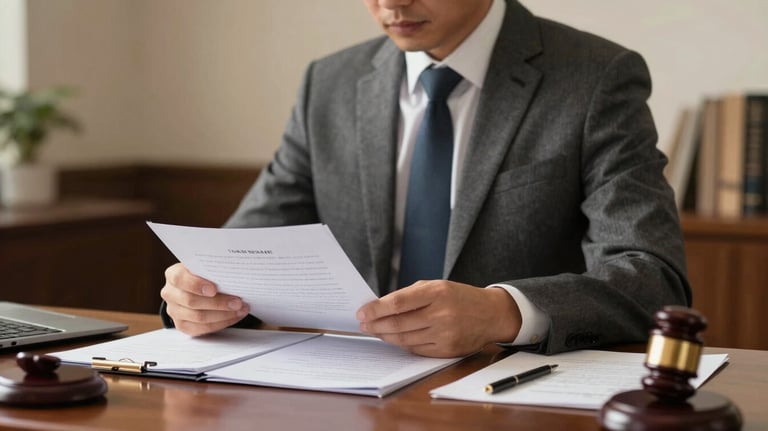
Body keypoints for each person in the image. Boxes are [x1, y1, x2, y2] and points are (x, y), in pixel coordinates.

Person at [160, 0, 690, 358]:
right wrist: (196, 293)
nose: (392, 0)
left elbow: (650, 277)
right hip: (344, 386)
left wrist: (504, 312)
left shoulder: (595, 77)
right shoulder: (330, 82)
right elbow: (243, 249)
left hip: (504, 389)